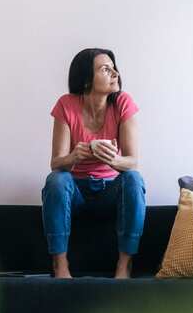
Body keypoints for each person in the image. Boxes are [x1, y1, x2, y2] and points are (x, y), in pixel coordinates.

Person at [42, 48, 145, 279]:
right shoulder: (66, 105)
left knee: (133, 179)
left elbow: (132, 161)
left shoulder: (123, 103)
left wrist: (113, 159)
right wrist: (74, 156)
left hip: (110, 191)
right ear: (87, 79)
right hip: (76, 190)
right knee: (57, 180)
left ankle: (124, 265)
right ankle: (60, 265)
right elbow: (56, 163)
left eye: (114, 67)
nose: (115, 74)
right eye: (105, 69)